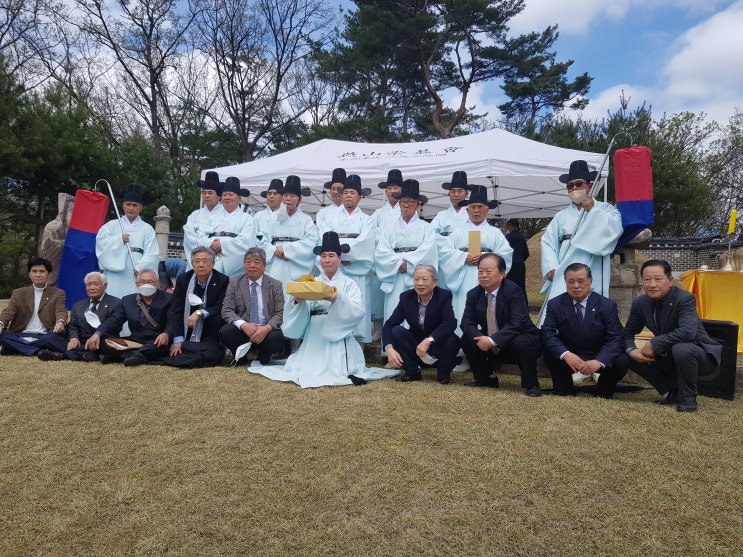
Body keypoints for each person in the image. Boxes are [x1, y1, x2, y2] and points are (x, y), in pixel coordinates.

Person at [249, 232, 397, 388]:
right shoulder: (313, 281)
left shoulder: (349, 283)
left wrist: (338, 299)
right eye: (324, 256)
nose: (327, 260)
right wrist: (298, 301)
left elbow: (357, 311)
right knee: (306, 367)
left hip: (338, 333)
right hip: (315, 332)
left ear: (340, 259)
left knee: (337, 368)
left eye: (332, 256)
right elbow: (300, 307)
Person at [624, 259, 722, 413]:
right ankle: (673, 389)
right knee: (625, 354)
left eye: (658, 279)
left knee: (682, 349)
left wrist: (655, 343)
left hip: (699, 354)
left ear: (670, 280)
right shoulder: (640, 303)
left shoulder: (684, 299)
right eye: (647, 279)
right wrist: (631, 350)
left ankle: (687, 399)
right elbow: (628, 332)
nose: (652, 284)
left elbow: (687, 332)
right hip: (667, 354)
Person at [540, 263, 629, 398]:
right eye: (571, 281)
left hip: (596, 352)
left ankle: (603, 391)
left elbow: (616, 337)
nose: (576, 286)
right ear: (565, 282)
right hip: (570, 351)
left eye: (581, 281)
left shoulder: (606, 305)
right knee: (549, 348)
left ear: (590, 281)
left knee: (622, 360)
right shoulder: (555, 304)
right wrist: (566, 354)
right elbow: (547, 332)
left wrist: (599, 361)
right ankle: (564, 389)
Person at [541, 160, 623, 304]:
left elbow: (615, 230)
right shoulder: (560, 217)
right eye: (570, 186)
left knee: (593, 309)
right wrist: (551, 267)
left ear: (589, 186)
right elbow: (548, 242)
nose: (574, 188)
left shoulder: (605, 209)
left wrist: (593, 211)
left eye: (579, 184)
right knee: (561, 308)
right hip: (566, 268)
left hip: (595, 267)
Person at [460, 253, 543, 396]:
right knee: (468, 339)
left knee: (521, 341)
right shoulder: (473, 294)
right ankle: (485, 378)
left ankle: (532, 384)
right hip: (491, 344)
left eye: (488, 271)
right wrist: (481, 338)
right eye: (480, 271)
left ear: (502, 273)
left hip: (518, 343)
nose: (483, 275)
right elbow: (467, 323)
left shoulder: (514, 291)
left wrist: (492, 340)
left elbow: (517, 323)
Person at [317, 174, 375, 342]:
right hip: (338, 268)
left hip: (356, 269)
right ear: (341, 196)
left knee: (356, 304)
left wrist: (344, 255)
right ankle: (331, 337)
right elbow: (326, 237)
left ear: (360, 197)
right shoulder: (330, 218)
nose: (348, 195)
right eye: (346, 192)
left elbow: (366, 242)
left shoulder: (367, 220)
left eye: (352, 193)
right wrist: (338, 257)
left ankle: (358, 344)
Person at [382, 264, 460, 384]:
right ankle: (412, 372)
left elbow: (450, 323)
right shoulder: (406, 297)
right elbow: (389, 325)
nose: (419, 283)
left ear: (434, 282)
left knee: (452, 339)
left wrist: (429, 340)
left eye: (424, 279)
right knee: (397, 331)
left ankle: (444, 375)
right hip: (416, 342)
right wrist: (389, 348)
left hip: (437, 343)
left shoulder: (444, 296)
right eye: (416, 279)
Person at [375, 179, 438, 324]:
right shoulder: (389, 229)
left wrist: (408, 263)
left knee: (416, 317)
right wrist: (398, 263)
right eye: (403, 201)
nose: (406, 205)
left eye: (410, 201)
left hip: (417, 278)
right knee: (394, 314)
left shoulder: (426, 228)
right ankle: (392, 346)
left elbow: (428, 251)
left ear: (417, 204)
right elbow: (381, 252)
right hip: (396, 275)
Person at [160, 246, 229, 368]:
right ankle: (186, 352)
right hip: (185, 331)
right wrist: (178, 339)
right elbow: (176, 310)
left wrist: (200, 313)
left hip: (208, 332)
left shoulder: (222, 280)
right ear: (192, 264)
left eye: (205, 261)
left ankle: (185, 355)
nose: (201, 265)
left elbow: (222, 306)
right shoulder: (183, 279)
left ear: (213, 264)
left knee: (216, 353)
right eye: (197, 261)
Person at [90, 269, 173, 366]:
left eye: (150, 282)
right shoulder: (127, 300)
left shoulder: (169, 299)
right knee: (104, 342)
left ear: (158, 284)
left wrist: (166, 334)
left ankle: (120, 356)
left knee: (162, 347)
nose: (146, 285)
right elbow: (115, 320)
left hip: (158, 341)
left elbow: (173, 320)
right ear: (137, 284)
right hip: (135, 341)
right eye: (142, 282)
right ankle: (137, 355)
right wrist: (98, 333)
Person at [220, 247, 285, 365]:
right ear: (244, 264)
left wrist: (266, 329)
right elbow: (227, 310)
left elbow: (279, 313)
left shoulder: (275, 285)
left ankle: (263, 358)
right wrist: (244, 325)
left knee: (277, 337)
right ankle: (241, 358)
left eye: (256, 262)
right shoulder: (234, 283)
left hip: (265, 330)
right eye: (248, 262)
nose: (252, 265)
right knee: (225, 331)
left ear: (264, 265)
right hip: (244, 331)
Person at [37, 271, 122, 361]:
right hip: (81, 341)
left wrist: (97, 335)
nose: (92, 287)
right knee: (52, 337)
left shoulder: (116, 303)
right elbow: (73, 326)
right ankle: (89, 354)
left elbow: (114, 324)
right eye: (89, 284)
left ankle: (63, 356)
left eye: (96, 284)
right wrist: (74, 338)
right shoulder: (78, 305)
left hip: (102, 340)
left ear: (105, 286)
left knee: (106, 344)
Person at [95, 183, 160, 299]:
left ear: (140, 208)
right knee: (113, 302)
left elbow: (152, 253)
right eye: (128, 204)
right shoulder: (110, 226)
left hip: (135, 272)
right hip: (115, 274)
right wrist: (119, 240)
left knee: (134, 303)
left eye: (134, 205)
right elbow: (101, 244)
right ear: (123, 206)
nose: (131, 208)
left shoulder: (147, 229)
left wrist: (141, 268)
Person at [259, 175, 319, 291]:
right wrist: (274, 250)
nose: (288, 199)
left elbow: (311, 242)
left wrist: (286, 250)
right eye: (286, 195)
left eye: (292, 196)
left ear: (299, 200)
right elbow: (261, 239)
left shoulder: (306, 220)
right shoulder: (271, 219)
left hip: (296, 267)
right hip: (274, 265)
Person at [0, 257, 67, 357]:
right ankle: (38, 352)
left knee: (54, 338)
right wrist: (1, 323)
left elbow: (60, 311)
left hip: (45, 336)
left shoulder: (58, 293)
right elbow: (9, 311)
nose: (38, 275)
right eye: (34, 271)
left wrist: (60, 322)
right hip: (20, 335)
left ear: (48, 273)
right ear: (29, 274)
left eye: (42, 271)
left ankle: (16, 348)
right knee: (2, 335)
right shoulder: (18, 293)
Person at [369, 169, 404, 339]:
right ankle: (379, 328)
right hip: (382, 258)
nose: (392, 191)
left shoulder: (405, 210)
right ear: (385, 191)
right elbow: (372, 234)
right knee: (378, 293)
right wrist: (384, 245)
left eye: (396, 187)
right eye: (389, 188)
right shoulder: (378, 213)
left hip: (400, 258)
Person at [207, 176, 257, 278]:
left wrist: (223, 245)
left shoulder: (248, 219)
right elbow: (201, 237)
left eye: (231, 194)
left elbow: (248, 241)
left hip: (236, 269)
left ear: (239, 199)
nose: (227, 197)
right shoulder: (211, 217)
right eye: (224, 195)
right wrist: (211, 244)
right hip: (212, 262)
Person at [183, 171, 223, 272]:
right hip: (198, 262)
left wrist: (222, 245)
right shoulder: (194, 216)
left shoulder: (226, 215)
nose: (206, 196)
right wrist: (210, 244)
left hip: (219, 262)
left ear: (219, 196)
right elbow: (189, 239)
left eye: (210, 193)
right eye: (204, 193)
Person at [504, 218, 529, 301]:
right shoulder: (522, 237)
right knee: (521, 286)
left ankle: (510, 302)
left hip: (511, 264)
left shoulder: (508, 237)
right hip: (521, 263)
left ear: (510, 226)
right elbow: (527, 253)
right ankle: (524, 305)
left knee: (509, 285)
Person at [253, 179, 285, 243]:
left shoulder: (286, 216)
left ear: (282, 197)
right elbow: (253, 235)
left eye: (275, 194)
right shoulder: (258, 216)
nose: (272, 196)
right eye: (269, 193)